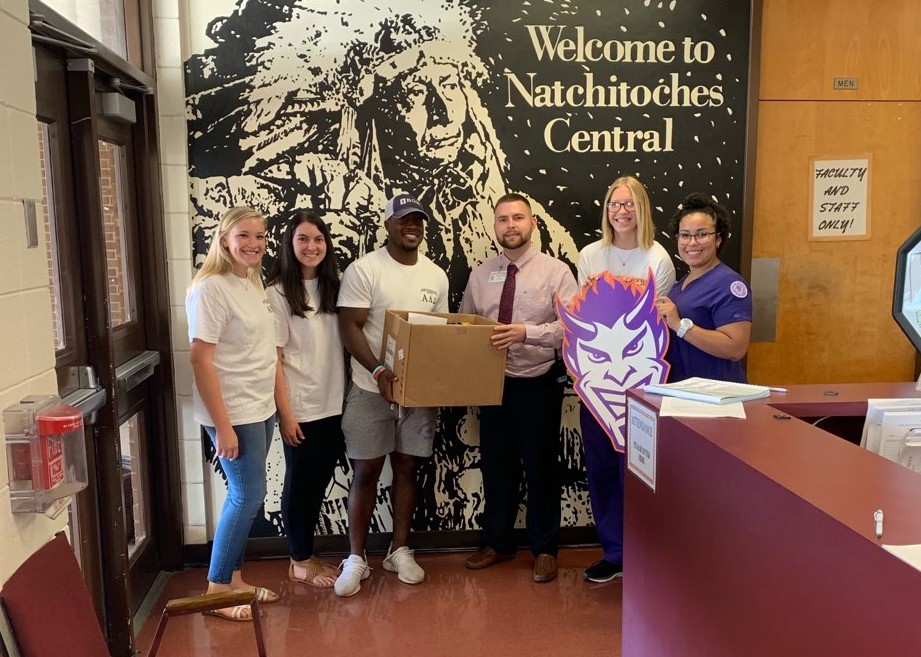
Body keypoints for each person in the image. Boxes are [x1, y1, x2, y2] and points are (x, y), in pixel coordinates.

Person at [334, 193, 449, 597]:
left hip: (416, 395)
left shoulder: (435, 276)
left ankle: (399, 550)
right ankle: (356, 558)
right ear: (388, 226)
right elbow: (349, 326)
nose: (411, 226)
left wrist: (432, 382)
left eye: (417, 219)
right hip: (370, 388)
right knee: (365, 471)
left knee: (407, 469)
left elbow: (438, 334)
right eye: (403, 220)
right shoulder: (365, 270)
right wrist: (379, 370)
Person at [460, 193, 579, 583]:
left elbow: (572, 329)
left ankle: (545, 548)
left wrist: (526, 333)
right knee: (497, 468)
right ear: (494, 227)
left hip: (537, 384)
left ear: (533, 224)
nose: (510, 225)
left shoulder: (556, 272)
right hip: (491, 387)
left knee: (542, 469)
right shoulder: (480, 275)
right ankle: (498, 542)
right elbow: (463, 326)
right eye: (502, 220)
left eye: (518, 218)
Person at [575, 176, 676, 584]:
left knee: (636, 470)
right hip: (597, 383)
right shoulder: (589, 256)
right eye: (615, 204)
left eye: (630, 204)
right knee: (600, 467)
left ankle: (647, 554)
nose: (621, 211)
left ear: (642, 209)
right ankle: (614, 553)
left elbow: (654, 326)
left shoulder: (659, 259)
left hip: (641, 382)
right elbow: (584, 319)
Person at [186, 207, 279, 621]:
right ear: (225, 239)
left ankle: (235, 578)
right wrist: (222, 426)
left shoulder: (250, 282)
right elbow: (200, 360)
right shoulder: (210, 289)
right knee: (246, 496)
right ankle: (217, 588)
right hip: (233, 410)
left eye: (260, 236)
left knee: (247, 497)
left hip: (260, 406)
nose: (254, 244)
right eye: (244, 235)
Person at [265, 211, 345, 588]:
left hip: (334, 404)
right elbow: (275, 361)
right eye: (303, 239)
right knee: (300, 483)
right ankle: (298, 559)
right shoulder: (277, 293)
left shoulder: (334, 288)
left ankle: (306, 553)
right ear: (290, 244)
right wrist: (286, 414)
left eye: (318, 240)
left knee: (317, 482)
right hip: (301, 407)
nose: (311, 247)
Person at [655, 192, 753, 382]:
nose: (692, 242)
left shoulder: (729, 284)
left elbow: (736, 348)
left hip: (715, 397)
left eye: (702, 234)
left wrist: (679, 325)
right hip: (682, 392)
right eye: (685, 235)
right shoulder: (682, 283)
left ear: (718, 238)